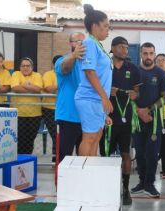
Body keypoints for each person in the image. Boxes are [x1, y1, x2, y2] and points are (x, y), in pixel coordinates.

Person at [98, 36, 141, 205]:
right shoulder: (105, 66)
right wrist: (108, 92)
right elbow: (97, 88)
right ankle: (105, 187)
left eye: (127, 47)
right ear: (113, 48)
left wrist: (135, 95)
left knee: (126, 154)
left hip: (126, 118)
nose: (125, 50)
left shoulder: (133, 68)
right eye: (122, 47)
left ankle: (125, 189)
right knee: (105, 153)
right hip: (107, 117)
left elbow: (137, 92)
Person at [130, 42, 165, 198]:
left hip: (154, 120)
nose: (148, 56)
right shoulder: (134, 72)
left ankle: (150, 184)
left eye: (151, 53)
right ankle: (141, 182)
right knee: (139, 153)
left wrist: (149, 110)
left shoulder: (160, 74)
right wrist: (139, 111)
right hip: (137, 119)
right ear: (141, 54)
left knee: (152, 154)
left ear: (155, 54)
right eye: (145, 53)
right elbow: (129, 93)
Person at [75, 4, 113, 156]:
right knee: (89, 137)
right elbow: (90, 72)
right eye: (105, 26)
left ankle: (90, 170)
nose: (108, 30)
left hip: (97, 99)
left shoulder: (98, 45)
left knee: (97, 136)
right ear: (94, 26)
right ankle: (84, 173)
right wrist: (105, 98)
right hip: (90, 98)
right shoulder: (89, 43)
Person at [55, 32, 85, 163]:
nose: (80, 44)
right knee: (64, 156)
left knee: (84, 157)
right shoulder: (62, 60)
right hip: (68, 117)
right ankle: (62, 183)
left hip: (86, 117)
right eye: (76, 41)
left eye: (82, 42)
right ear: (70, 43)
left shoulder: (88, 63)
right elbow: (65, 68)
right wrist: (74, 55)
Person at [11, 57, 43, 154]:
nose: (25, 68)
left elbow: (38, 89)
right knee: (19, 139)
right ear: (20, 67)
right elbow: (15, 88)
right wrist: (30, 87)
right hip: (18, 114)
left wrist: (23, 85)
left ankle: (27, 160)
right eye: (23, 66)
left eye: (28, 66)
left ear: (32, 67)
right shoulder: (16, 74)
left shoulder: (37, 75)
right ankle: (19, 161)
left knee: (30, 140)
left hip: (34, 115)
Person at [42, 55, 61, 162]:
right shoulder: (48, 74)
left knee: (61, 135)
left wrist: (57, 87)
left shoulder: (66, 73)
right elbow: (49, 88)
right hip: (49, 109)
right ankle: (55, 159)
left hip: (62, 109)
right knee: (55, 134)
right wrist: (62, 86)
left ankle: (59, 158)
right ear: (54, 65)